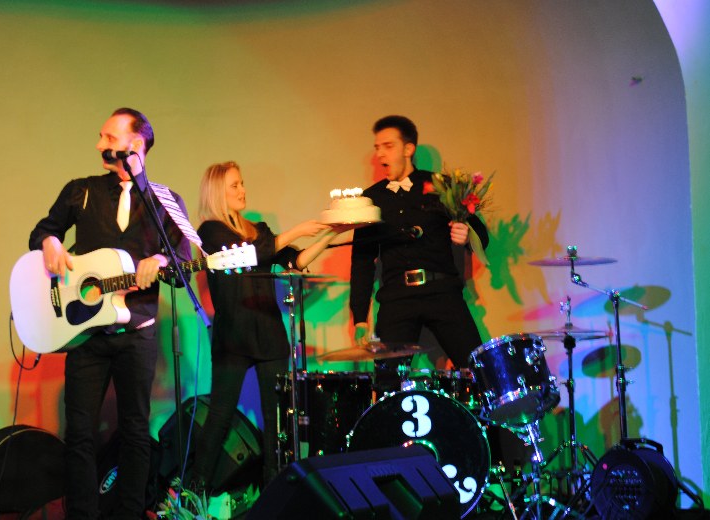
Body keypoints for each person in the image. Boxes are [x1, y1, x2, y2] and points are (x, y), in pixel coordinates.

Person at [28, 108, 194, 519]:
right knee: (80, 433)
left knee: (135, 430)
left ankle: (130, 514)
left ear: (135, 145)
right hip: (86, 333)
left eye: (108, 137)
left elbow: (183, 264)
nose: (99, 144)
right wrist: (49, 242)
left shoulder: (166, 201)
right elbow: (42, 231)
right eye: (101, 136)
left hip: (138, 331)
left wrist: (161, 259)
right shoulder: (81, 191)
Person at [192, 161, 346, 491]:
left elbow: (296, 260)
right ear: (218, 192)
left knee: (276, 422)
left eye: (242, 183)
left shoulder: (257, 230)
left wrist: (331, 233)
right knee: (219, 416)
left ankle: (273, 492)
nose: (243, 190)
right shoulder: (210, 232)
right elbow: (252, 254)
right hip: (233, 336)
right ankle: (193, 490)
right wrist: (296, 230)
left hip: (269, 332)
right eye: (235, 185)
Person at [349, 115, 488, 390]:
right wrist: (360, 317)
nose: (380, 154)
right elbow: (362, 261)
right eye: (377, 147)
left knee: (478, 371)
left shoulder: (439, 186)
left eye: (388, 146)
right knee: (388, 383)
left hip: (442, 292)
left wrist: (466, 234)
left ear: (408, 148)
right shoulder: (371, 199)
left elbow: (479, 232)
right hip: (396, 299)